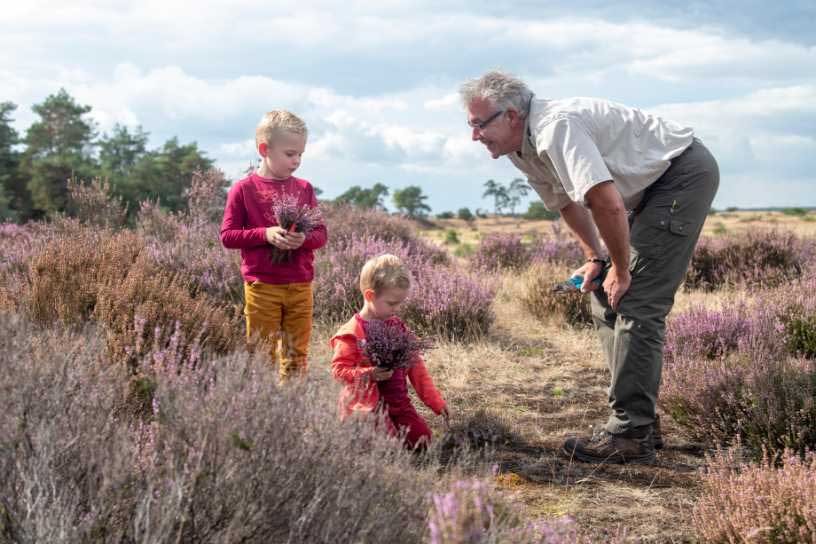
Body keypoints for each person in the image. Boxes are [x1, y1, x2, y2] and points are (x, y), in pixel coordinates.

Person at [460, 71, 719, 464]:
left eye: (480, 124)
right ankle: (639, 420)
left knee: (636, 300)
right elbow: (565, 201)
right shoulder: (518, 147)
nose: (475, 136)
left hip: (680, 175)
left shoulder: (556, 128)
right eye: (471, 126)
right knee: (603, 293)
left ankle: (631, 433)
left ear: (512, 115)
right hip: (647, 189)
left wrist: (622, 267)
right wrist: (596, 260)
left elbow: (606, 202)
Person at [221, 110, 327, 383]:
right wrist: (265, 234)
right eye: (290, 154)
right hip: (262, 287)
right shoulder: (243, 190)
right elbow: (228, 236)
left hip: (301, 286)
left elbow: (321, 234)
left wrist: (303, 240)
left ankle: (292, 410)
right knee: (261, 355)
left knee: (296, 355)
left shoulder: (304, 188)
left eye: (301, 154)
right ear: (264, 149)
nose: (297, 161)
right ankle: (264, 412)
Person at [330, 254, 450, 449]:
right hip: (368, 408)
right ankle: (357, 435)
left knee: (423, 441)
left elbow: (416, 367)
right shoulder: (351, 333)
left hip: (399, 405)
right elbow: (339, 372)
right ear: (370, 296)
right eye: (392, 303)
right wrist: (369, 374)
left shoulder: (397, 326)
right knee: (390, 448)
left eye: (400, 303)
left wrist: (436, 402)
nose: (397, 309)